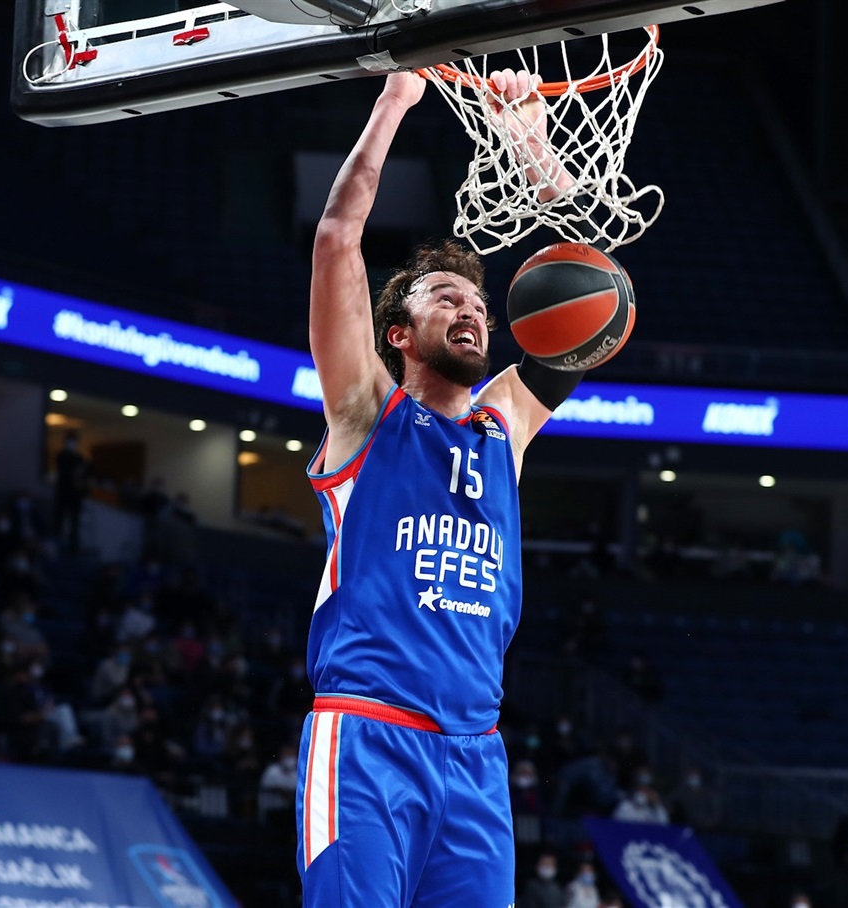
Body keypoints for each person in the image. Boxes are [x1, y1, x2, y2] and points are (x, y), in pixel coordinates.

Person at [294, 68, 587, 906]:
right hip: (367, 735)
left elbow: (591, 295)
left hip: (476, 753)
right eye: (445, 297)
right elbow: (336, 239)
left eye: (480, 305)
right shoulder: (367, 413)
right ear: (399, 333)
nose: (471, 311)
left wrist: (532, 147)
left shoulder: (506, 425)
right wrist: (396, 98)